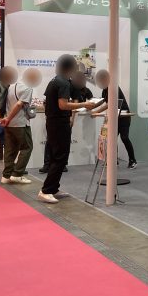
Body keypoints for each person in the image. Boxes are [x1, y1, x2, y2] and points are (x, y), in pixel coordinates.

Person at [39, 55, 96, 204]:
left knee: (57, 157)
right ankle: (46, 190)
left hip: (53, 122)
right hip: (59, 123)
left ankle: (53, 188)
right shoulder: (63, 82)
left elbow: (48, 102)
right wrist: (84, 105)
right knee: (60, 158)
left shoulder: (55, 80)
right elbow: (63, 105)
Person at [0, 68, 42, 185]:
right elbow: (19, 105)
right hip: (20, 123)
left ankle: (6, 176)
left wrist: (7, 118)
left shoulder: (12, 86)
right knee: (27, 148)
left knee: (10, 150)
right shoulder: (27, 88)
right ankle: (17, 174)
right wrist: (9, 118)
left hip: (9, 124)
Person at [91, 69, 137, 169]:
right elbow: (103, 101)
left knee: (124, 138)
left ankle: (133, 160)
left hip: (124, 117)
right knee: (111, 139)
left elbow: (109, 103)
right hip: (114, 117)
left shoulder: (113, 87)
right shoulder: (105, 89)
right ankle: (113, 160)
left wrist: (96, 111)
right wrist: (92, 106)